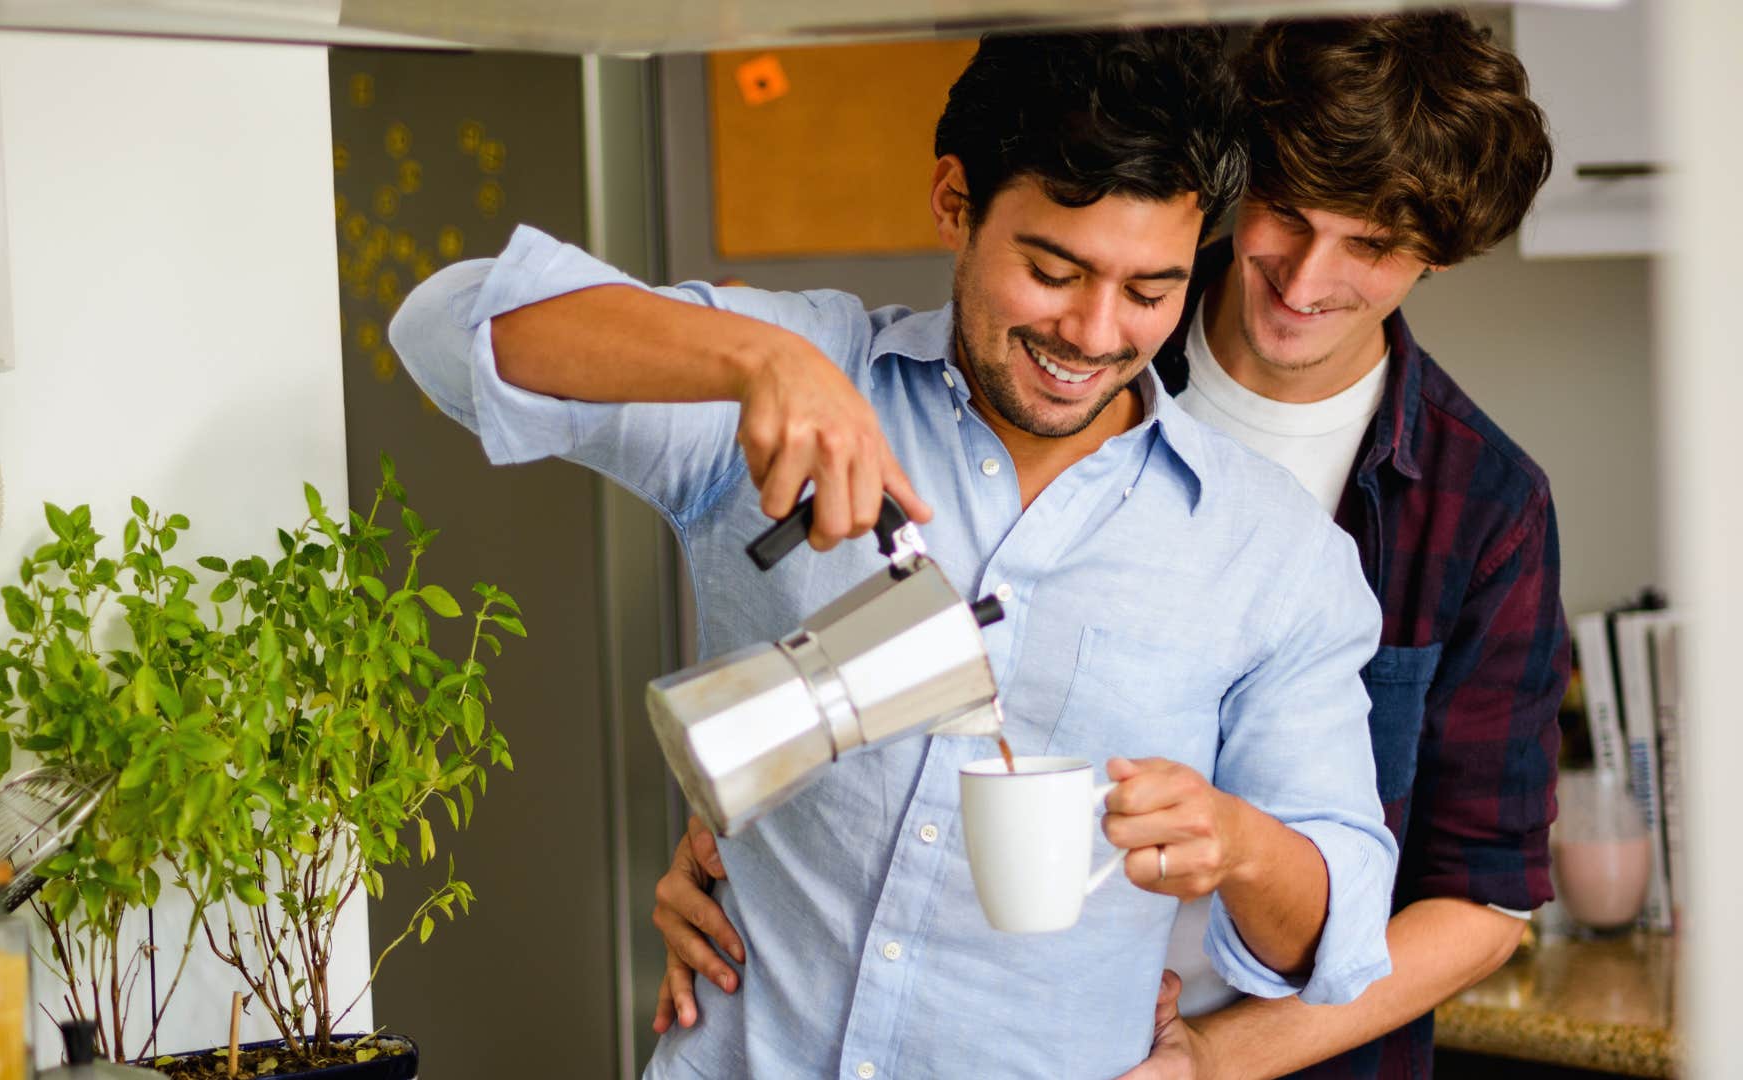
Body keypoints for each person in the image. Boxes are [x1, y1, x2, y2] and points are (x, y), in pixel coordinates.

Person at [392, 28, 1398, 1079]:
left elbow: (1334, 935)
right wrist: (753, 357)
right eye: (1053, 271)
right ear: (955, 203)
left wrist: (1236, 842)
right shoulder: (808, 376)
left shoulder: (1269, 551)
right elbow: (443, 330)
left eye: (1152, 291)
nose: (1095, 335)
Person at [653, 14, 1568, 1080]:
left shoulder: (1482, 507)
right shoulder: (1072, 348)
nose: (1308, 276)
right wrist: (750, 848)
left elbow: (1482, 898)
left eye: (1373, 246)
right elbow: (899, 645)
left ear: (1436, 258)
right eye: (1283, 213)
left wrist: (1209, 1060)